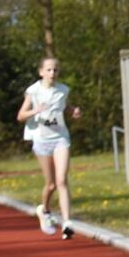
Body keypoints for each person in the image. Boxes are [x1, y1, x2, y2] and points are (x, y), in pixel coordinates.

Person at [17, 56, 82, 240]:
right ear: (41, 72)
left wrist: (74, 111)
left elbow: (65, 107)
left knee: (62, 180)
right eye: (49, 70)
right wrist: (35, 111)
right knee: (51, 184)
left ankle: (67, 222)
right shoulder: (33, 91)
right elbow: (20, 116)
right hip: (41, 139)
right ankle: (44, 210)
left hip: (61, 138)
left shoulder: (63, 90)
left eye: (55, 70)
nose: (52, 73)